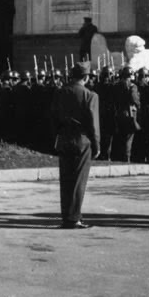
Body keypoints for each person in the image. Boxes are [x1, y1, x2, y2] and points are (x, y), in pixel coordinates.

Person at [50, 63, 101, 229]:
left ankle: (67, 216)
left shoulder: (60, 93)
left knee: (65, 180)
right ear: (86, 77)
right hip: (82, 139)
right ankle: (74, 218)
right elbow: (94, 124)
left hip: (64, 137)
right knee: (79, 180)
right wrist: (97, 144)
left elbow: (53, 118)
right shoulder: (90, 95)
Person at [111, 66, 141, 161]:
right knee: (129, 137)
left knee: (120, 136)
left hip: (119, 113)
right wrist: (138, 105)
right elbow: (134, 99)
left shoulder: (115, 86)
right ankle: (127, 157)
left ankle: (119, 156)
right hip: (129, 113)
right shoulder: (132, 86)